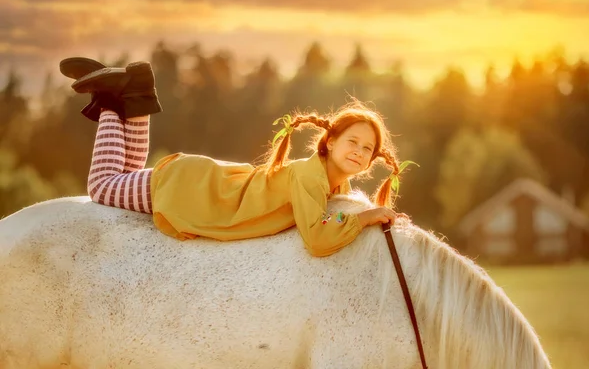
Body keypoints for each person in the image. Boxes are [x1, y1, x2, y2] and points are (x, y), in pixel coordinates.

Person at [60, 57, 415, 257]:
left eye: (367, 149)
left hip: (203, 183)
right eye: (353, 141)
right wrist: (366, 217)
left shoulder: (329, 178)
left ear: (372, 161)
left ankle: (136, 91)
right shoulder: (311, 176)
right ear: (330, 141)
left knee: (126, 173)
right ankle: (110, 97)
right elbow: (318, 240)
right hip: (197, 192)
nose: (358, 151)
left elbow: (331, 213)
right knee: (104, 187)